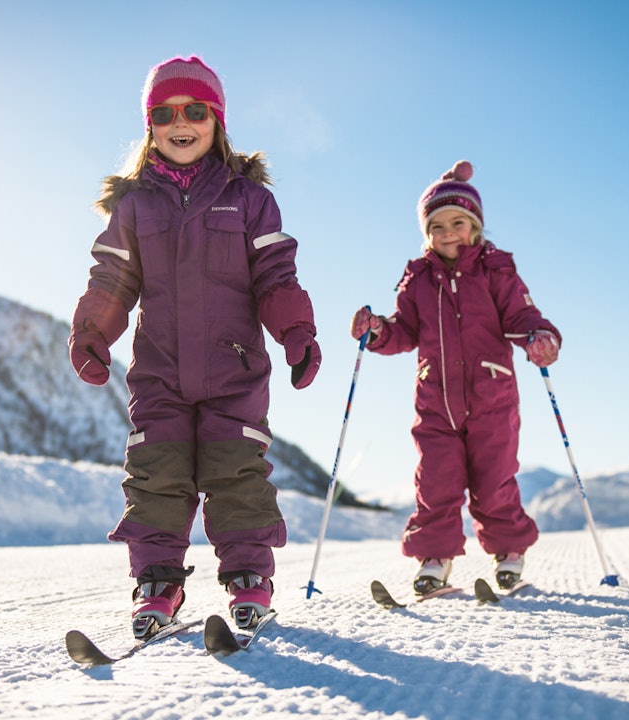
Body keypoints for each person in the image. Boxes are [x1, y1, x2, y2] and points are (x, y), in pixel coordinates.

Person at [68, 56, 321, 635]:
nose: (180, 122)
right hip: (159, 369)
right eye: (164, 113)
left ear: (217, 120)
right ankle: (157, 584)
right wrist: (92, 334)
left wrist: (296, 333)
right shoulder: (134, 205)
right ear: (150, 126)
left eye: (195, 111)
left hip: (234, 370)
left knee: (236, 473)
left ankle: (250, 580)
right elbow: (112, 279)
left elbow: (276, 276)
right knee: (156, 473)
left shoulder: (248, 199)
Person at [350, 160, 559, 594]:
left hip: (491, 397)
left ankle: (509, 552)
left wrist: (539, 336)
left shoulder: (495, 270)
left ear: (475, 226)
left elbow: (521, 315)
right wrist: (378, 331)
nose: (448, 233)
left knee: (494, 479)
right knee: (435, 481)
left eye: (457, 223)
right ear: (426, 233)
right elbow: (404, 331)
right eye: (437, 226)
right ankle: (434, 559)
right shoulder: (418, 279)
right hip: (436, 400)